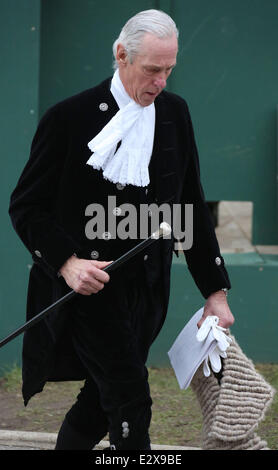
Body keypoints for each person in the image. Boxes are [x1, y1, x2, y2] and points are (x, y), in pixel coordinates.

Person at [9, 9, 234, 450]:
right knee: (131, 398)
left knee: (99, 401)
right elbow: (27, 206)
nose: (161, 82)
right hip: (91, 291)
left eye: (169, 70)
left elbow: (189, 203)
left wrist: (215, 292)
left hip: (150, 290)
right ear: (121, 55)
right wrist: (68, 264)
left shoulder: (174, 113)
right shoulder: (67, 118)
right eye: (152, 70)